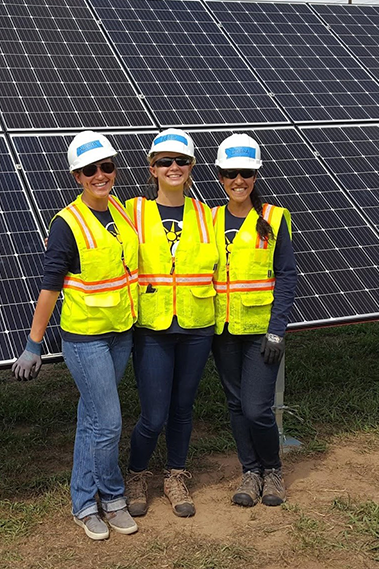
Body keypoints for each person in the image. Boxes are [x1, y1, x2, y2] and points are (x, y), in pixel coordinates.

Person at [11, 131, 140, 541]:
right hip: (86, 340)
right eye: (90, 170)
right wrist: (34, 345)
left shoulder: (119, 209)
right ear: (77, 176)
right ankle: (113, 497)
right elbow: (49, 287)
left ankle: (83, 502)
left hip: (121, 333)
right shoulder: (67, 225)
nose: (100, 175)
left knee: (92, 419)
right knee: (109, 424)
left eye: (107, 167)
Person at [124, 129, 218, 518]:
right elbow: (93, 228)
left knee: (183, 407)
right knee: (154, 414)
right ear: (152, 169)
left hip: (197, 324)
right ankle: (136, 474)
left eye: (181, 161)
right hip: (153, 327)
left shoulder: (206, 214)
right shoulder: (132, 212)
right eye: (165, 161)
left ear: (192, 167)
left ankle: (176, 474)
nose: (174, 167)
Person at [211, 133, 297, 507]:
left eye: (246, 173)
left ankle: (272, 470)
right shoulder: (209, 218)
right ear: (220, 177)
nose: (238, 180)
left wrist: (277, 330)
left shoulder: (274, 217)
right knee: (234, 404)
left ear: (256, 175)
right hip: (222, 330)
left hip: (261, 332)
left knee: (256, 408)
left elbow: (287, 275)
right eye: (230, 173)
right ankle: (250, 472)